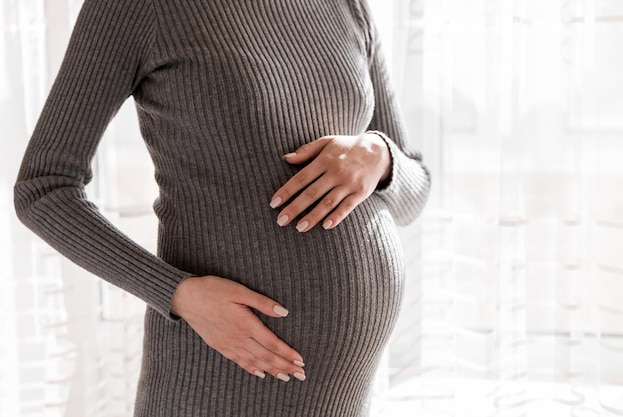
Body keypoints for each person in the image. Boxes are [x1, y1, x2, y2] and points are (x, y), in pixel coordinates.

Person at [14, 0, 430, 415]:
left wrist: (381, 156)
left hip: (342, 390)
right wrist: (176, 293)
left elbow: (415, 191)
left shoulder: (346, 5)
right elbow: (43, 187)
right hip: (219, 375)